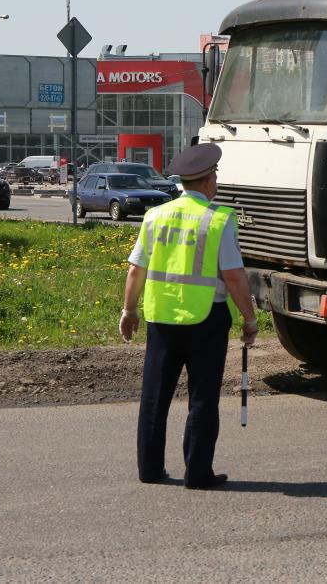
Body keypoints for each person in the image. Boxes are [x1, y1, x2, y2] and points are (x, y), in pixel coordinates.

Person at [118, 142, 258, 490]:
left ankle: (149, 469)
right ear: (210, 180)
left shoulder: (155, 217)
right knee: (202, 397)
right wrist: (250, 319)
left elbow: (136, 270)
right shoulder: (217, 220)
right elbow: (235, 277)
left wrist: (129, 311)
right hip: (206, 320)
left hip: (162, 319)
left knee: (154, 395)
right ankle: (198, 473)